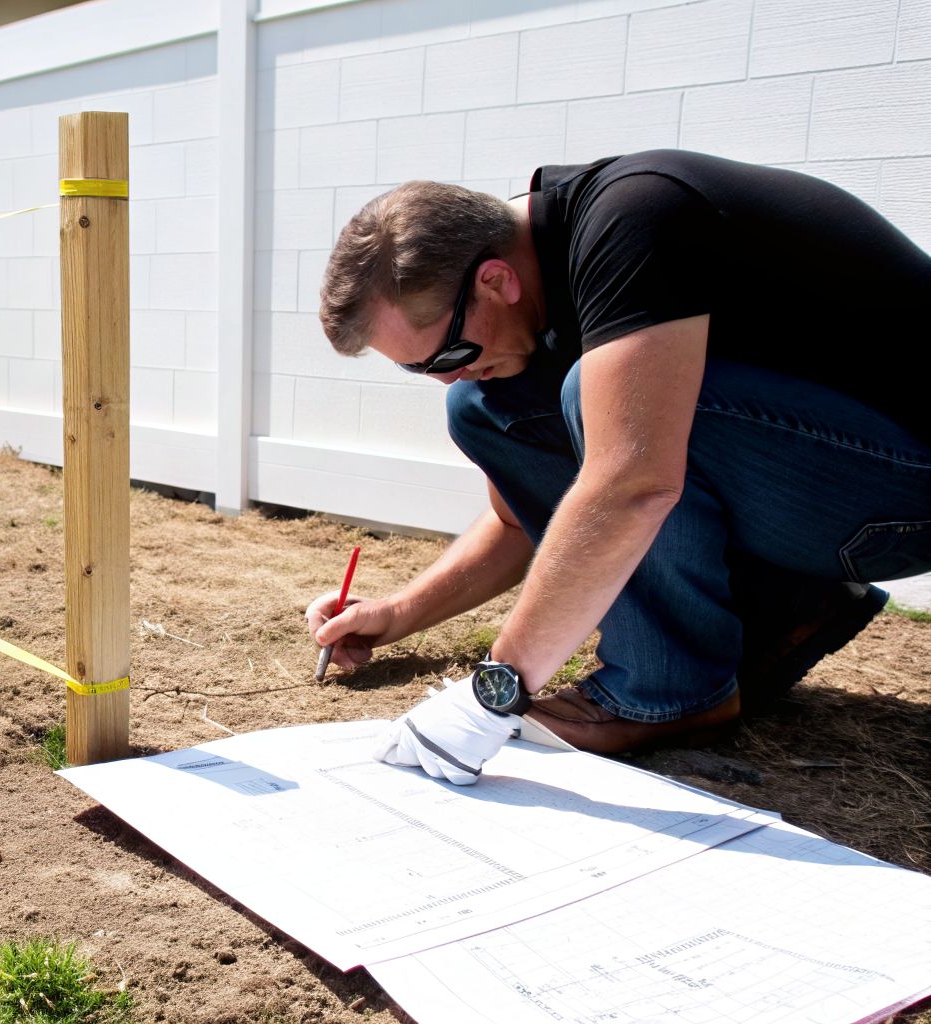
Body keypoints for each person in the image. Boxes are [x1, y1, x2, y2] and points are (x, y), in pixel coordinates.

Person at [305, 149, 931, 785]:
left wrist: (494, 689)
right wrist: (397, 612)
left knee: (611, 411)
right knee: (483, 407)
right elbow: (521, 524)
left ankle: (670, 691)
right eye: (420, 369)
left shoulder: (635, 220)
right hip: (828, 481)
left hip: (908, 491)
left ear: (496, 281)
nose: (449, 373)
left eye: (452, 352)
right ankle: (784, 606)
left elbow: (633, 483)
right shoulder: (539, 292)